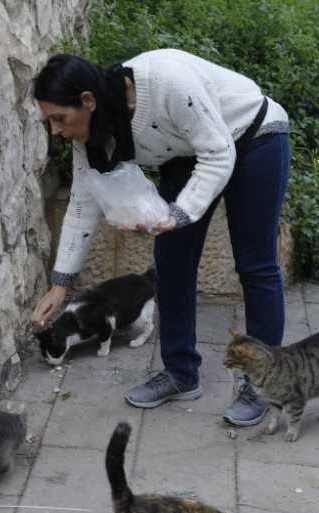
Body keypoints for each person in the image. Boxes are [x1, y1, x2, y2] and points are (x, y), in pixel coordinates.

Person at [31, 49, 290, 427]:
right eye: (49, 120)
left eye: (59, 118)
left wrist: (179, 214)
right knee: (171, 262)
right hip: (187, 154)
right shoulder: (93, 130)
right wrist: (60, 284)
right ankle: (181, 374)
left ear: (88, 101)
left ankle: (263, 383)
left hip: (253, 137)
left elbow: (218, 154)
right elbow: (83, 203)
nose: (55, 130)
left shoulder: (167, 81)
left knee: (255, 265)